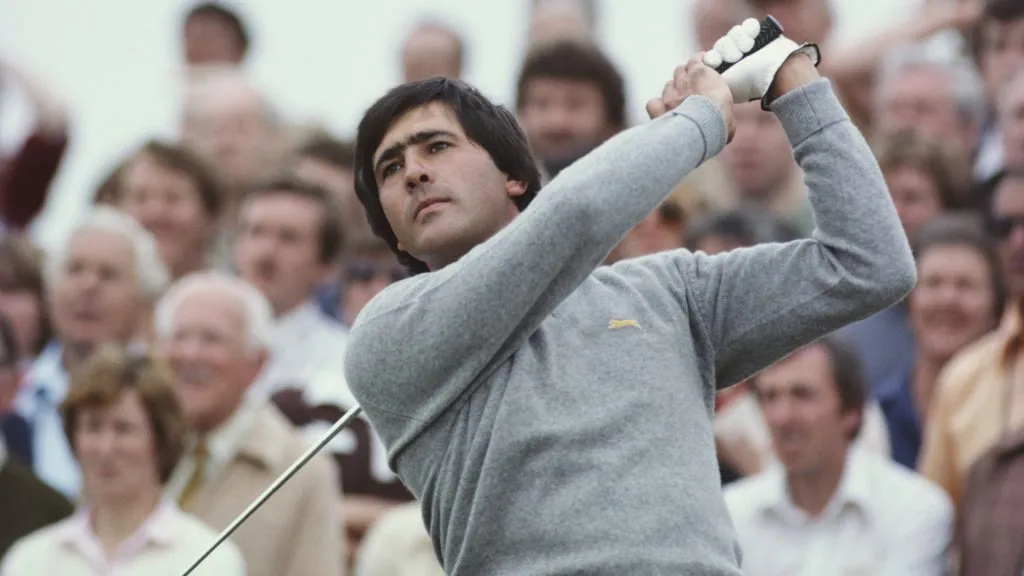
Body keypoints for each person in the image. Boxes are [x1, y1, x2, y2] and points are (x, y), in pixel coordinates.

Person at [344, 21, 916, 575]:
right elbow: (576, 215)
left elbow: (867, 263)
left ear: (515, 176)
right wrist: (703, 118)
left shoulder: (667, 292)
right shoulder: (387, 332)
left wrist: (793, 81)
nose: (413, 172)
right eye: (390, 169)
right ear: (393, 233)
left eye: (435, 147)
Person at [0, 345, 244, 575]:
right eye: (93, 427)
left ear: (161, 438)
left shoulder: (213, 560)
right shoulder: (30, 559)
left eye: (123, 428)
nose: (106, 448)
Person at [725, 337, 953, 575]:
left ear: (851, 412)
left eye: (802, 395)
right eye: (769, 397)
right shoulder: (731, 514)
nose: (781, 417)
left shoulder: (914, 510)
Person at [877, 215, 1004, 469]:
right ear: (909, 303)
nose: (947, 299)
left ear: (995, 308)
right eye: (933, 284)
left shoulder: (1011, 409)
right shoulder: (876, 415)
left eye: (965, 285)